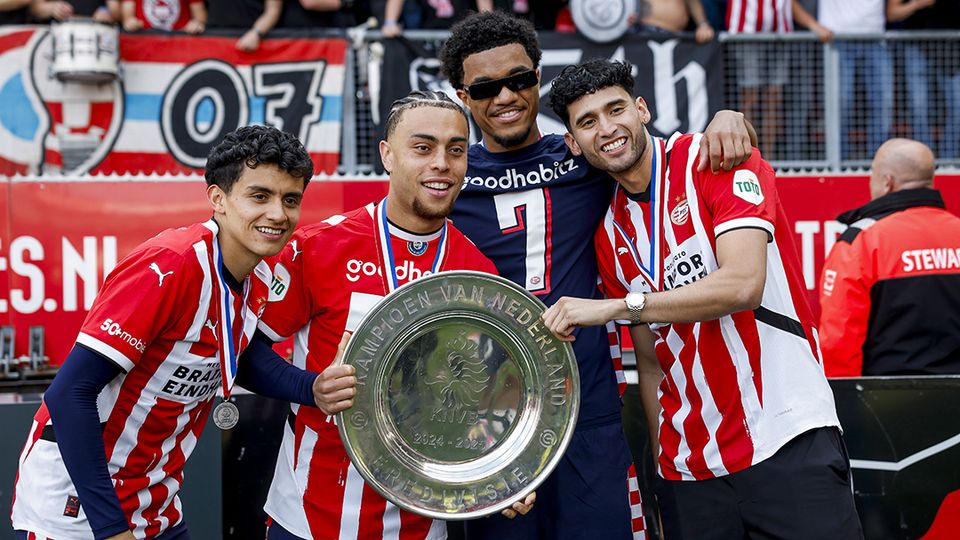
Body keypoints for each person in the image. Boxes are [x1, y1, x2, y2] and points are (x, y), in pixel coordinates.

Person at [438, 10, 756, 539]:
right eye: (486, 88)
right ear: (463, 96)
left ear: (538, 77)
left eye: (518, 79)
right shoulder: (449, 179)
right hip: (488, 420)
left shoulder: (587, 155)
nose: (505, 97)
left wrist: (727, 117)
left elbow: (654, 153)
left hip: (587, 405)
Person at [541, 58, 862, 539]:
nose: (607, 129)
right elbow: (651, 364)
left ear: (642, 109)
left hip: (785, 433)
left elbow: (743, 285)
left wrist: (620, 306)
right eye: (588, 122)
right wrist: (662, 474)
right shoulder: (609, 232)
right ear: (572, 142)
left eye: (616, 109)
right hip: (690, 469)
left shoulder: (716, 157)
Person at [10, 125, 330, 539]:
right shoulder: (170, 265)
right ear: (218, 198)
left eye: (290, 199)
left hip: (156, 503)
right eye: (259, 196)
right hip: (81, 513)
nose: (278, 214)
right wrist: (112, 530)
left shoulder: (260, 273)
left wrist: (312, 388)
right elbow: (69, 394)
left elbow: (239, 354)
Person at [257, 90, 534, 540]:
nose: (442, 164)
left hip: (422, 524)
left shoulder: (477, 272)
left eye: (456, 150)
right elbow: (246, 352)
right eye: (423, 148)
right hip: (309, 517)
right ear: (387, 154)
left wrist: (502, 475)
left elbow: (486, 404)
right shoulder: (319, 246)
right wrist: (312, 389)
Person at [819, 138, 960, 376]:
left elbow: (838, 340)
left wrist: (843, 394)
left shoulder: (860, 241)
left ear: (887, 182)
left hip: (886, 392)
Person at [818, 0, 891, 160]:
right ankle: (838, 160)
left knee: (884, 102)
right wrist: (813, 25)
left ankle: (880, 160)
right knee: (841, 101)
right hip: (836, 38)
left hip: (876, 38)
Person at [206, 0, 282, 52]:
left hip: (252, 43)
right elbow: (201, 7)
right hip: (213, 43)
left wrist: (256, 33)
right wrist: (200, 22)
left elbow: (273, 10)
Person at [121, 0, 206, 33]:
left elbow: (200, 19)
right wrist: (131, 23)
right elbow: (128, 19)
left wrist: (197, 24)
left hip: (180, 42)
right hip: (145, 43)